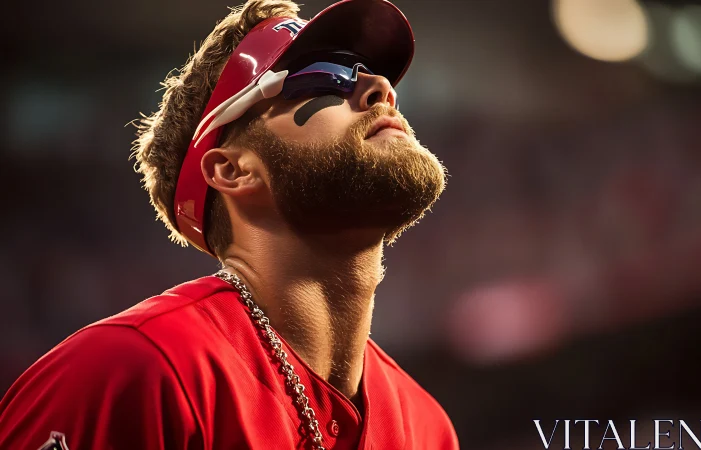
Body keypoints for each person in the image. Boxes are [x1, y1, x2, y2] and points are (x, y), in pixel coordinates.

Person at [0, 0, 458, 448]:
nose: (380, 87)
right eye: (326, 79)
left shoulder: (429, 428)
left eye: (369, 74)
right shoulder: (130, 370)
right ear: (232, 170)